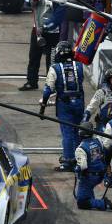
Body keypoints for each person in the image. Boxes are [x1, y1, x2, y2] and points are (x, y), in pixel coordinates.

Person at [40, 41, 85, 172]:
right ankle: (78, 160)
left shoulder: (55, 68)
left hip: (64, 104)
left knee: (67, 133)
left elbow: (48, 90)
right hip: (79, 103)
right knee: (77, 132)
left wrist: (42, 108)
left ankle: (67, 162)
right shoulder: (79, 66)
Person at [19, 0, 62, 91]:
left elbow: (59, 16)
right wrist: (32, 1)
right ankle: (31, 81)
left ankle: (51, 85)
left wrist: (45, 27)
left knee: (51, 60)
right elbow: (27, 4)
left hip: (53, 32)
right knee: (33, 56)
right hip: (37, 29)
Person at [74, 121, 112, 212]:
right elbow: (107, 151)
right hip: (100, 175)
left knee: (82, 202)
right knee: (87, 192)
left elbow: (82, 166)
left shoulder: (80, 148)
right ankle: (92, 199)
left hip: (89, 177)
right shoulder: (98, 141)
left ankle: (104, 204)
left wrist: (75, 168)